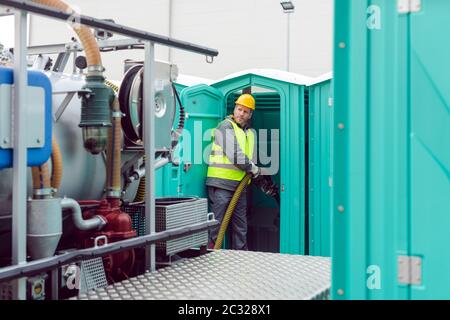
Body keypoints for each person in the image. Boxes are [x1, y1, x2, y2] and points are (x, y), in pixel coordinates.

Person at [205, 93, 261, 250]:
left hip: (239, 187)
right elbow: (235, 154)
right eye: (239, 109)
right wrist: (252, 168)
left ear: (250, 115)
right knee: (216, 226)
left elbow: (249, 156)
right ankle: (211, 256)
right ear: (234, 109)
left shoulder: (249, 133)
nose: (240, 114)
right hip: (221, 184)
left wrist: (254, 170)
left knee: (240, 227)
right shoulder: (225, 126)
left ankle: (241, 260)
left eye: (245, 111)